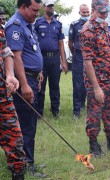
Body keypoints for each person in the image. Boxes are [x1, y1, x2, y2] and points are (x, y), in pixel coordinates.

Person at [80, 0, 110, 156]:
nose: (105, 15)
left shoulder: (104, 27)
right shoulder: (88, 30)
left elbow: (107, 50)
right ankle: (93, 144)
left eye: (106, 12)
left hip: (109, 78)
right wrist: (96, 87)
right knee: (95, 112)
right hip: (96, 81)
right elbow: (87, 62)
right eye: (102, 12)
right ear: (93, 10)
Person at [5, 0, 46, 177]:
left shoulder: (27, 24)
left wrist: (39, 72)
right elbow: (16, 58)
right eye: (34, 10)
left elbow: (32, 51)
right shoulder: (15, 25)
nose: (37, 13)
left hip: (32, 77)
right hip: (24, 81)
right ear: (23, 7)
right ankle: (24, 164)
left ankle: (28, 160)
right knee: (25, 125)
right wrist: (24, 84)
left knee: (30, 122)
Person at [0, 6, 25, 180]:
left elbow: (6, 52)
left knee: (14, 136)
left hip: (3, 93)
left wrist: (10, 74)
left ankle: (18, 173)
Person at [35, 0, 68, 118]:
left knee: (55, 86)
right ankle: (38, 112)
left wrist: (63, 62)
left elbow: (61, 44)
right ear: (44, 7)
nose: (51, 8)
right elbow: (34, 42)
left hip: (54, 59)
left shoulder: (58, 24)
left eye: (52, 6)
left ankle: (55, 111)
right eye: (49, 6)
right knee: (40, 86)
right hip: (41, 59)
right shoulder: (38, 23)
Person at [68, 4, 90, 118]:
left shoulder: (93, 24)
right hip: (78, 56)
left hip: (90, 57)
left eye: (87, 12)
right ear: (79, 13)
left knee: (88, 82)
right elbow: (70, 43)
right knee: (77, 84)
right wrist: (75, 54)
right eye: (83, 12)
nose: (86, 14)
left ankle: (83, 104)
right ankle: (76, 111)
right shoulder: (74, 25)